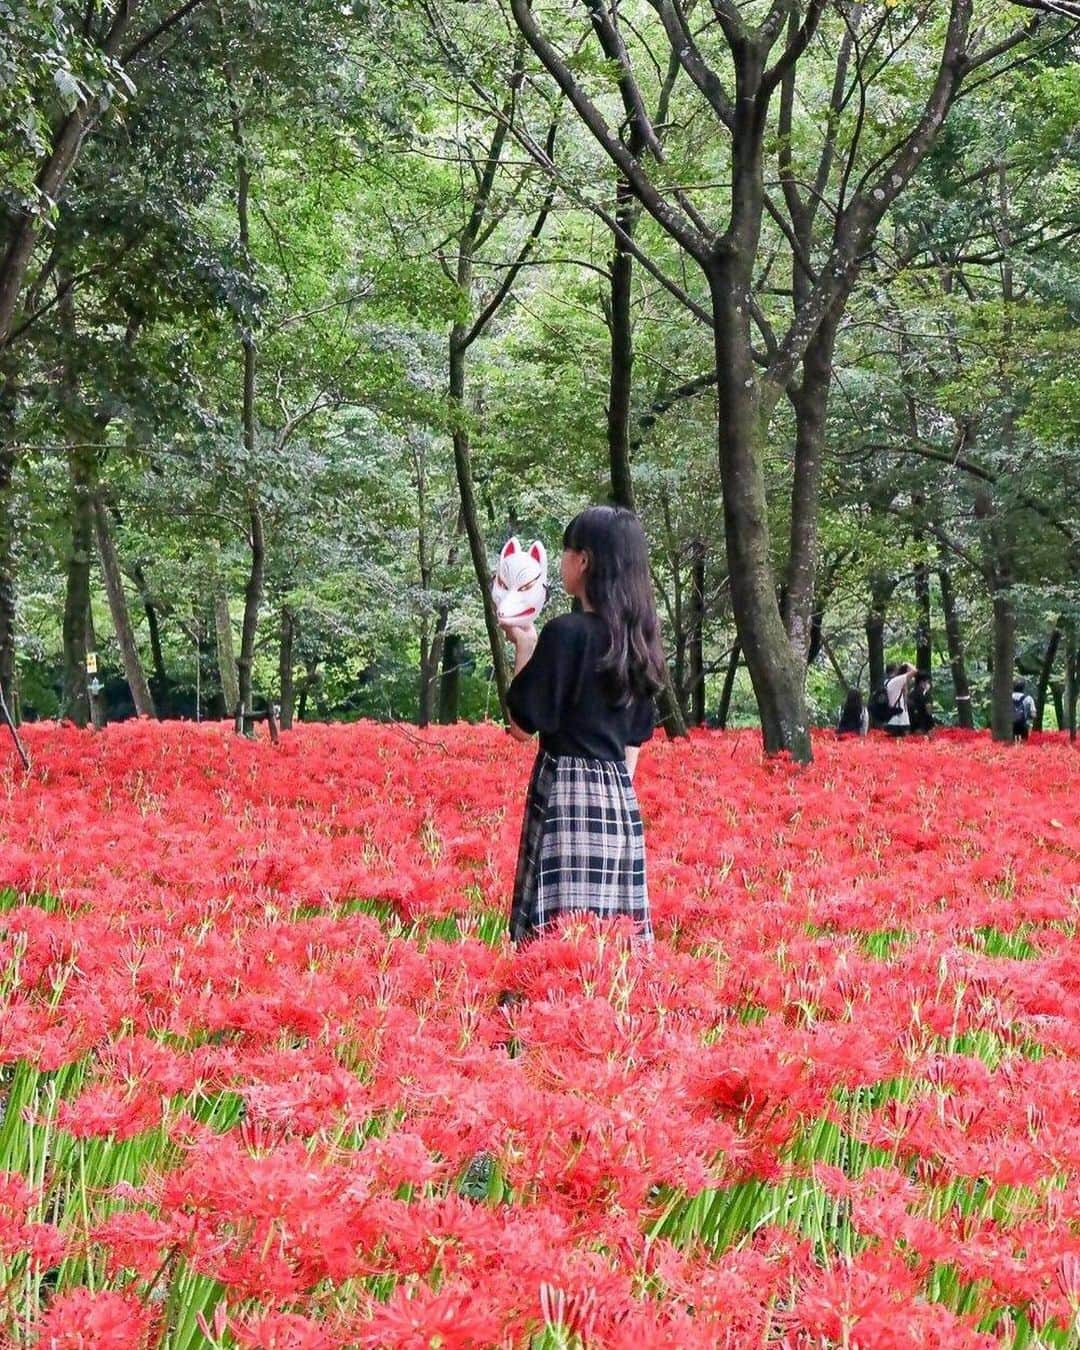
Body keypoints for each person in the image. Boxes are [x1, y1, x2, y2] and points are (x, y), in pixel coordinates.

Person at [501, 505, 664, 945]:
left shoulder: (565, 633)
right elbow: (634, 743)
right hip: (618, 803)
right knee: (609, 935)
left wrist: (525, 643)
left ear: (585, 561)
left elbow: (520, 723)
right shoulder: (639, 640)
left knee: (559, 929)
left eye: (567, 552)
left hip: (568, 792)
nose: (562, 562)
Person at [884, 662, 917, 737]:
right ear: (895, 670)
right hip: (899, 720)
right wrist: (907, 663)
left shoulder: (885, 682)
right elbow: (914, 671)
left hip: (889, 718)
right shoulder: (896, 680)